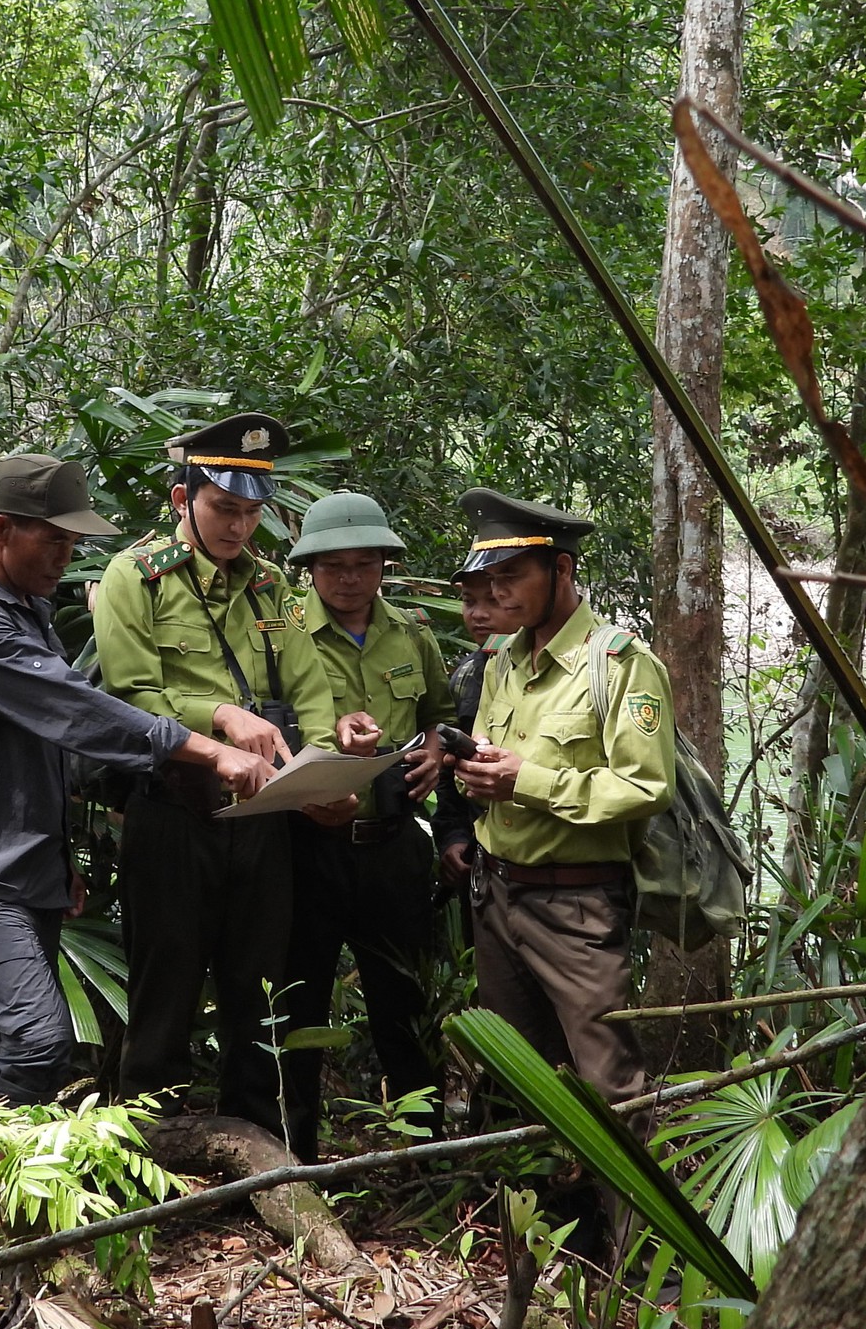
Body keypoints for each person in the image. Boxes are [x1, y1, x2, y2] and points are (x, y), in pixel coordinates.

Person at [0, 452, 273, 1249]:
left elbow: (39, 754)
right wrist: (205, 748)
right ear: (2, 530)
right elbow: (80, 713)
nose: (67, 556)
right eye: (53, 540)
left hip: (30, 867)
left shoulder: (24, 610)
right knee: (39, 1042)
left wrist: (64, 855)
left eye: (75, 542)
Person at [91, 413, 360, 1131]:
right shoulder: (135, 578)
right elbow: (130, 695)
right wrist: (219, 715)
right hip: (174, 813)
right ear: (184, 501)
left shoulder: (271, 587)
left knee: (260, 988)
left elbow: (308, 688)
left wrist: (326, 770)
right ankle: (153, 1147)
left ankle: (258, 1146)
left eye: (252, 513)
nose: (240, 528)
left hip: (265, 817)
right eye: (224, 509)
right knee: (167, 985)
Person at [448, 488, 673, 1107]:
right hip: (494, 897)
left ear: (562, 569)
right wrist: (479, 773)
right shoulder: (502, 660)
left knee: (610, 1086)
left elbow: (645, 786)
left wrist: (525, 780)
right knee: (521, 1079)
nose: (497, 594)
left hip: (574, 905)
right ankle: (537, 1203)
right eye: (489, 579)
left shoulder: (621, 664)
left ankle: (636, 1207)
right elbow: (498, 760)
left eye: (512, 576)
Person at [278, 491, 455, 1161]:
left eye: (364, 564)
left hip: (393, 846)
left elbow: (440, 713)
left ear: (383, 565)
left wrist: (437, 748)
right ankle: (293, 1160)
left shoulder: (411, 633)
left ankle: (421, 1153)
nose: (349, 579)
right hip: (308, 849)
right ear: (310, 570)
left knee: (404, 1006)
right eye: (333, 567)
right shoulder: (282, 630)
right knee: (299, 1005)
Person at [429, 565, 511, 890]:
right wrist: (453, 836)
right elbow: (448, 769)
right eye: (468, 601)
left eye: (492, 601)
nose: (478, 614)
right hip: (480, 859)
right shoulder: (467, 675)